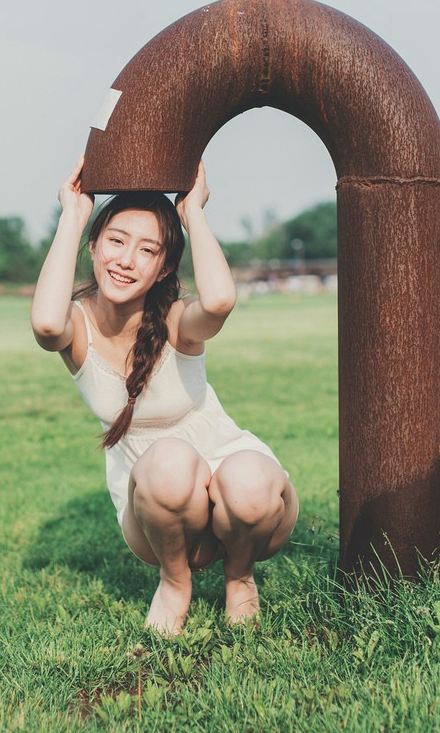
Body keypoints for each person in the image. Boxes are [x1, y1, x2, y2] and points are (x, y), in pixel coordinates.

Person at [30, 156, 298, 635]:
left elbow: (218, 302)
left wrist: (193, 210)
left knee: (251, 477)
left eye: (147, 250)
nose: (126, 260)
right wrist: (72, 214)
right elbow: (47, 324)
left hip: (244, 507)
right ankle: (175, 583)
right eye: (115, 241)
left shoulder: (176, 321)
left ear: (163, 267)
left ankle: (240, 578)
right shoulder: (78, 327)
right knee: (169, 459)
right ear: (93, 247)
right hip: (159, 511)